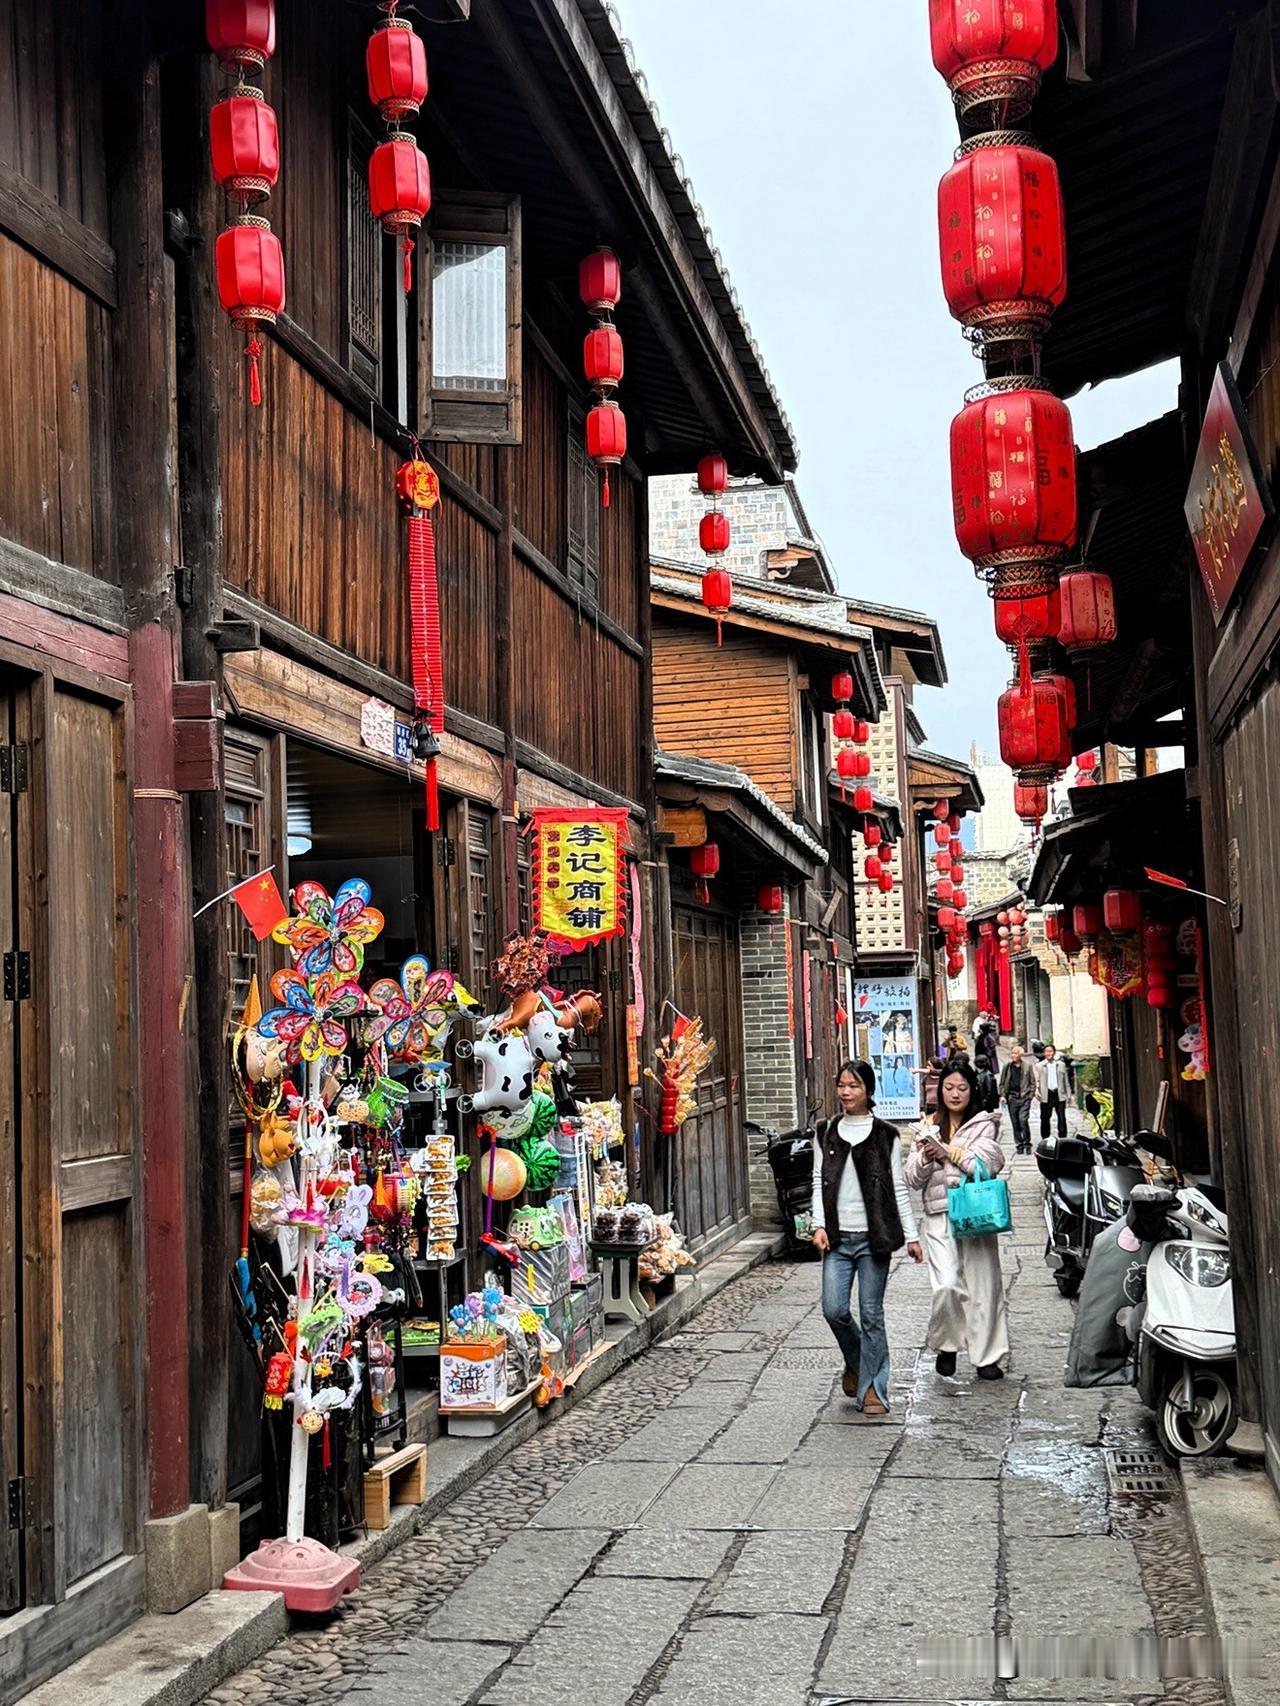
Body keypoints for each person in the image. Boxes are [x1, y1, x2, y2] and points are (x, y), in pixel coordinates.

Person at [812, 1059, 924, 1414]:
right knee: (834, 1309)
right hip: (838, 1238)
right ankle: (858, 1362)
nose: (846, 1092)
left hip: (874, 1237)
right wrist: (818, 1224)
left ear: (869, 1091)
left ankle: (874, 1389)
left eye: (854, 1086)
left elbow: (898, 1190)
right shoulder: (825, 1131)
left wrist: (912, 1236)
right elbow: (818, 1180)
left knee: (872, 1313)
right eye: (842, 1085)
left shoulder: (886, 1135)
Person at [906, 1059, 1010, 1380]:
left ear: (972, 1091)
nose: (955, 1094)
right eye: (949, 1087)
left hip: (975, 1213)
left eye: (962, 1088)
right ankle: (948, 1344)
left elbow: (988, 1163)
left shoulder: (984, 1123)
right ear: (940, 1090)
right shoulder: (926, 1125)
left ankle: (987, 1357)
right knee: (946, 1285)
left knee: (984, 1285)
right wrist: (925, 1155)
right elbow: (912, 1177)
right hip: (939, 1215)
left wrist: (948, 1152)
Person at [1000, 1043, 1035, 1155]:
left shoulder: (1027, 1066)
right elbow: (1002, 1083)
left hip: (1024, 1098)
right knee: (1015, 1122)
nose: (1013, 1055)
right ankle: (1019, 1144)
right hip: (1012, 1098)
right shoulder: (1007, 1067)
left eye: (1016, 1053)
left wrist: (1030, 1096)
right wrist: (1003, 1096)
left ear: (1021, 1055)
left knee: (1023, 1120)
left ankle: (1027, 1143)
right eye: (1012, 1053)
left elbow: (1032, 1082)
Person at [1034, 1042, 1074, 1141]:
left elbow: (1066, 1081)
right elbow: (1037, 1080)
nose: (1048, 1053)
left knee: (1061, 1117)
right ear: (1044, 1053)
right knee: (1045, 1117)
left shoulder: (1061, 1065)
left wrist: (1069, 1095)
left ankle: (1063, 1138)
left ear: (1054, 1052)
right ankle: (1045, 1138)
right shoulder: (1039, 1066)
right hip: (1046, 1094)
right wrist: (1037, 1090)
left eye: (1050, 1051)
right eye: (1046, 1052)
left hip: (1059, 1094)